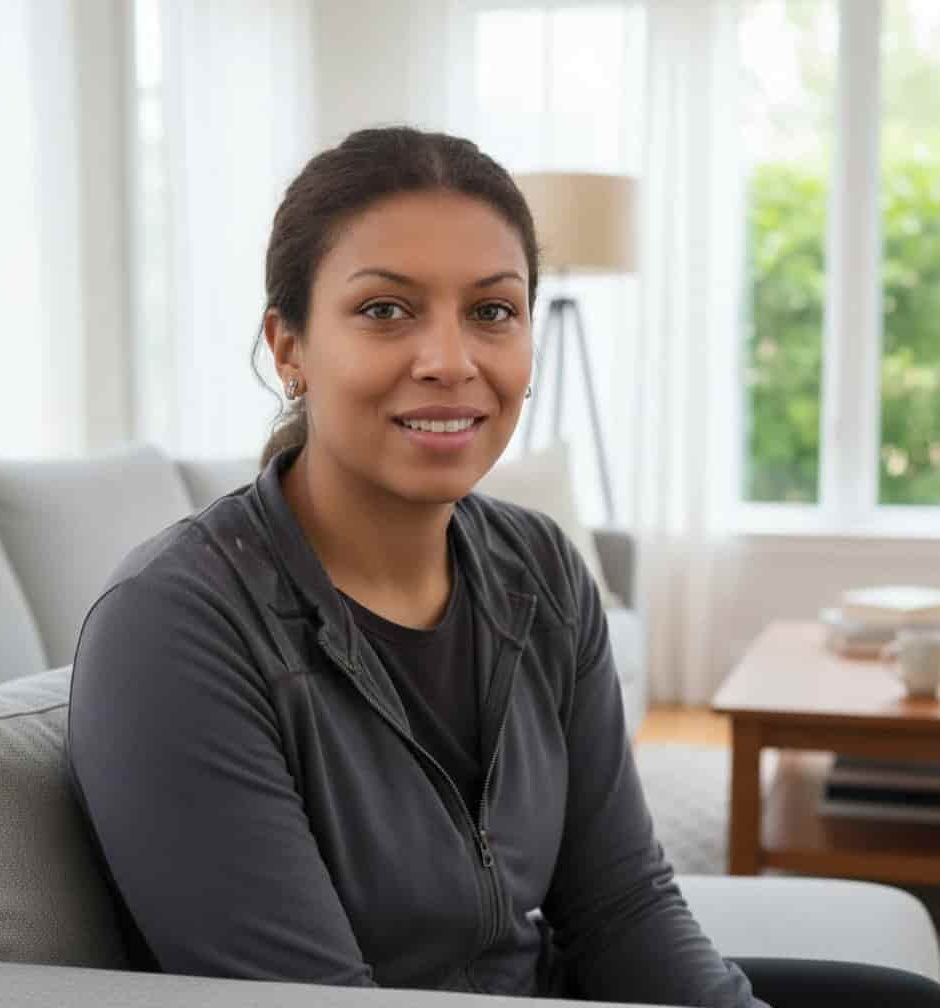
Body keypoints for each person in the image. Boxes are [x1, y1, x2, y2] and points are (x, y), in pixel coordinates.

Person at [66, 126, 940, 1007]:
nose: (450, 362)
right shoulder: (174, 629)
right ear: (288, 346)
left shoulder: (541, 570)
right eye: (385, 310)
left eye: (491, 312)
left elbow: (620, 906)